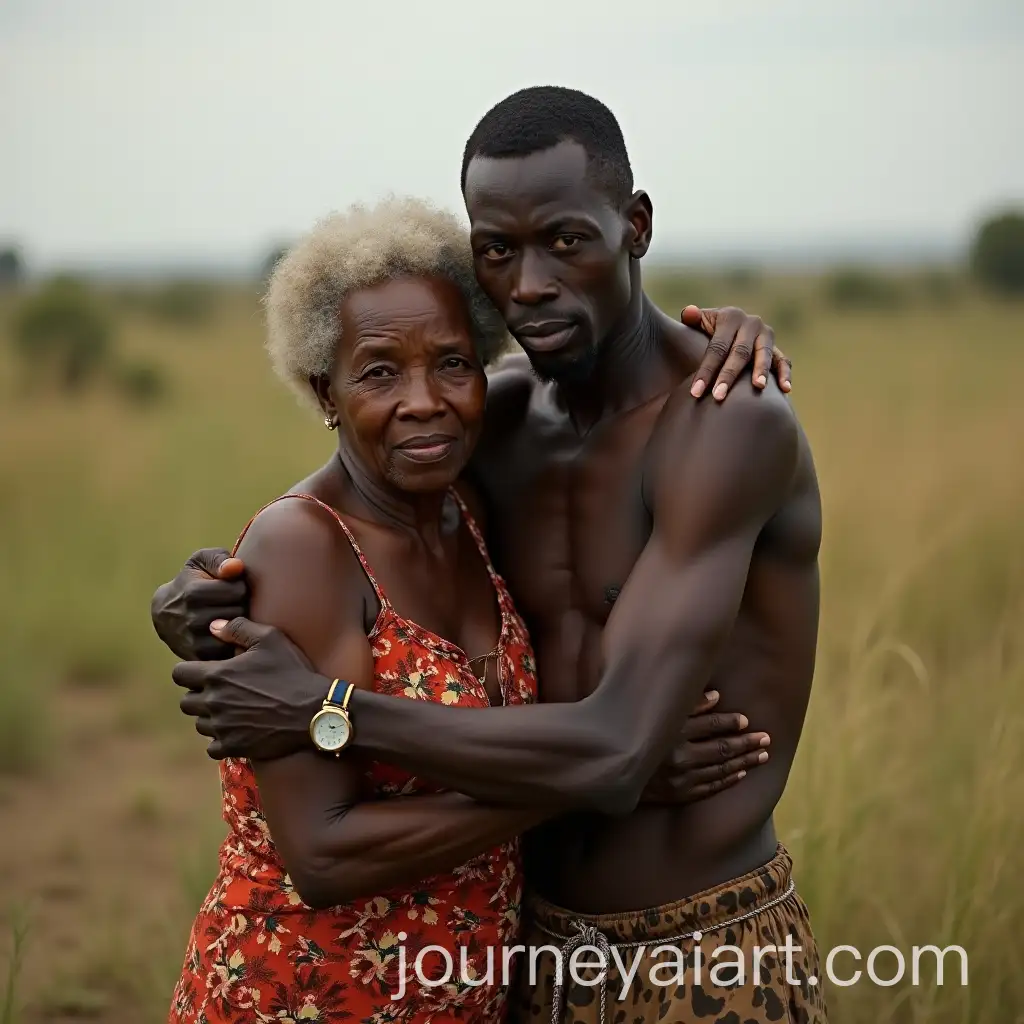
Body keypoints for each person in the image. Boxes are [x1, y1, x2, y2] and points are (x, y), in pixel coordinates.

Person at [157, 86, 825, 1023]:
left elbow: (618, 755)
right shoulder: (494, 422)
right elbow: (333, 508)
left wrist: (327, 711)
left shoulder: (725, 427)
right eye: (499, 251)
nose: (530, 285)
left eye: (567, 241)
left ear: (635, 226)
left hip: (694, 950)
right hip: (516, 959)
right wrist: (202, 593)